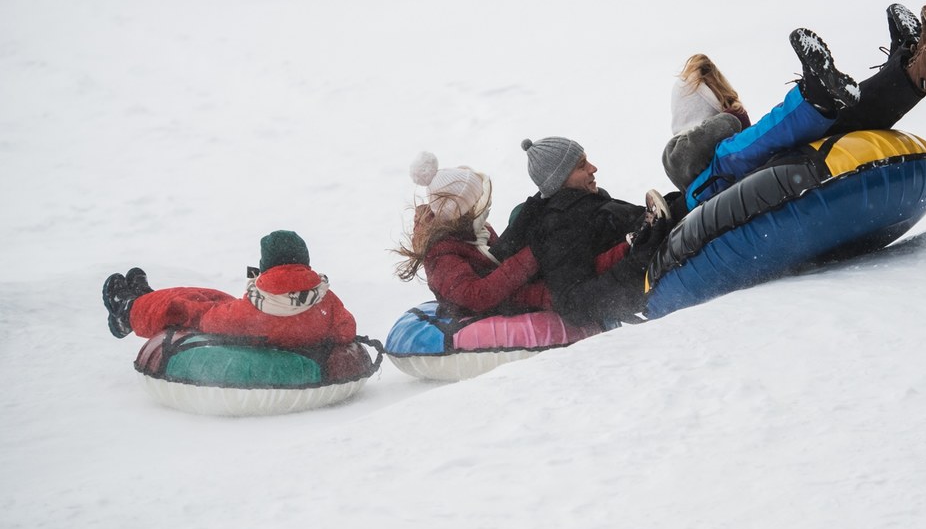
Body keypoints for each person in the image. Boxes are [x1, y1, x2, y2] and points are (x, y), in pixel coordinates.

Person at [663, 4, 926, 211]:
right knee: (733, 153)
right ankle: (815, 98)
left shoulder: (732, 140)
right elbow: (719, 139)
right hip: (714, 193)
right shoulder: (678, 156)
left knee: (839, 119)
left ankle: (911, 69)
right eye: (721, 99)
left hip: (754, 172)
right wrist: (732, 117)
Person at [493, 137, 672, 327]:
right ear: (559, 180)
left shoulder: (587, 202)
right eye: (581, 165)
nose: (593, 168)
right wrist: (642, 259)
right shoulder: (561, 226)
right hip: (654, 276)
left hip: (661, 255)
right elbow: (574, 302)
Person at [101, 230, 358, 348]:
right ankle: (148, 298)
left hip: (251, 320)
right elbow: (346, 330)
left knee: (188, 306)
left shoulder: (251, 312)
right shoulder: (327, 300)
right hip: (272, 320)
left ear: (266, 266)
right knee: (217, 298)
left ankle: (130, 311)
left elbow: (209, 321)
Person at [393, 152, 563, 317]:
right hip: (477, 310)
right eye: (478, 202)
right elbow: (476, 296)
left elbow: (500, 266)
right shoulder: (440, 252)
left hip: (504, 296)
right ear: (463, 211)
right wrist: (531, 255)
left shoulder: (478, 232)